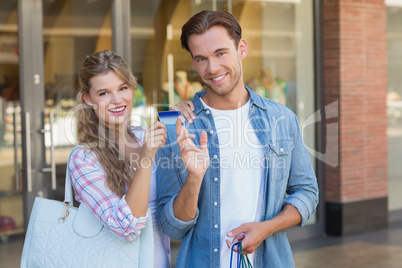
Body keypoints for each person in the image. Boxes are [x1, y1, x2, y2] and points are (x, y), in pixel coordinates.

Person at [155, 10, 319, 267]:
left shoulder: (282, 119)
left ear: (241, 48)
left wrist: (267, 228)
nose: (212, 68)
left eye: (220, 53)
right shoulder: (178, 125)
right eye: (201, 59)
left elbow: (307, 192)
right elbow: (171, 227)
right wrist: (195, 178)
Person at [68, 50, 170, 267]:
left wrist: (182, 117)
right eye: (104, 93)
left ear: (132, 89)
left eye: (122, 88)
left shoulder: (145, 136)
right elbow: (126, 228)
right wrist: (146, 157)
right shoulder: (84, 158)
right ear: (88, 99)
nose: (117, 100)